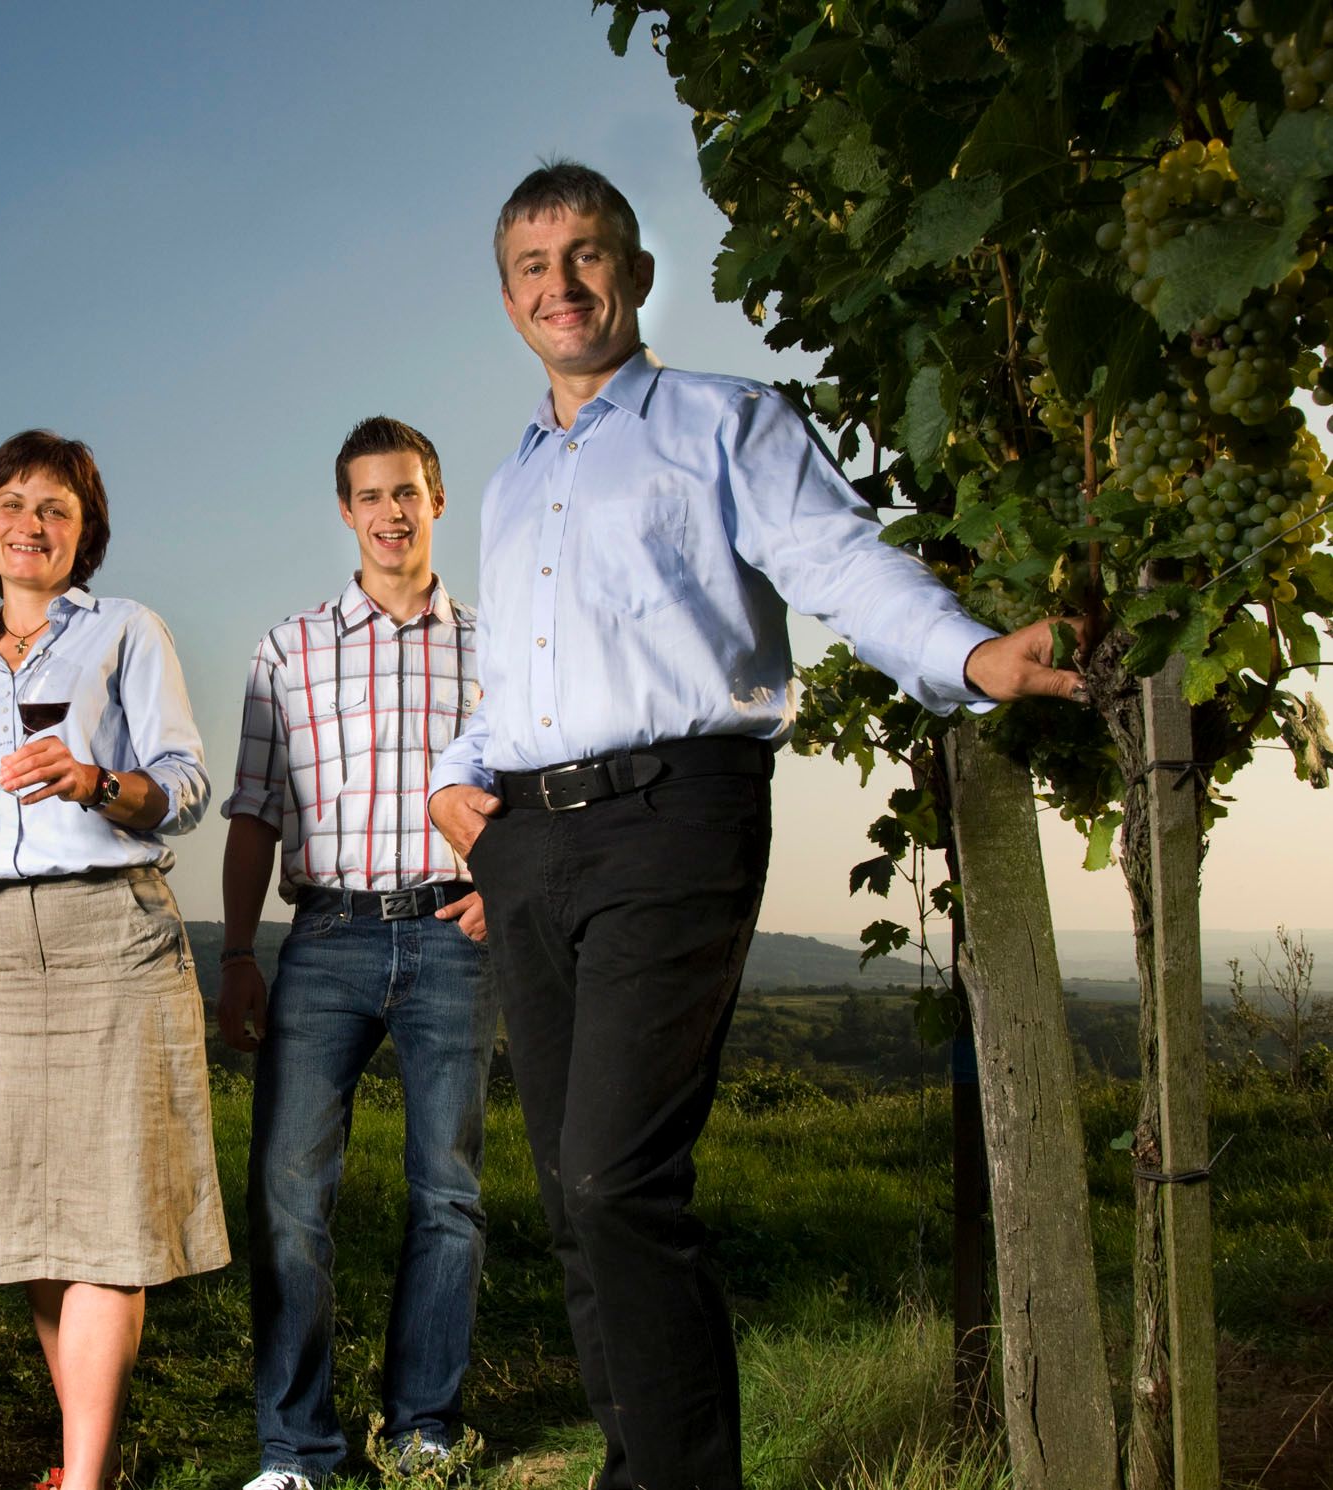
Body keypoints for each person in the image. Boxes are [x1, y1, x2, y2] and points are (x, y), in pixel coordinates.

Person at [425, 161, 1088, 1490]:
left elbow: (837, 557)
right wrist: (459, 777)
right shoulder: (505, 488)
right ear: (506, 299)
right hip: (530, 840)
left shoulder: (725, 421)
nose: (563, 286)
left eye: (588, 253)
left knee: (618, 1176)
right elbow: (519, 673)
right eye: (533, 268)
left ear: (638, 270)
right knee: (569, 1194)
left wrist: (967, 655)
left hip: (678, 813)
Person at [0, 429, 228, 1490]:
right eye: (14, 502)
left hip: (108, 932)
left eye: (57, 509)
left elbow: (185, 779)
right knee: (34, 1217)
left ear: (86, 535)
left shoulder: (125, 630)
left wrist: (92, 781)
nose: (31, 523)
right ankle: (95, 1458)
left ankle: (80, 1478)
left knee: (106, 1219)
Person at [217, 416, 496, 1489]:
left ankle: (423, 1427)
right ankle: (298, 1449)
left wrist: (500, 883)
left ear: (437, 501)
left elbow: (526, 786)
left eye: (409, 492)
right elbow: (252, 812)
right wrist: (239, 950)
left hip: (449, 933)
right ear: (346, 510)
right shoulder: (287, 648)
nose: (390, 512)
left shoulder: (495, 645)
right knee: (288, 1192)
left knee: (449, 1190)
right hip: (324, 936)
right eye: (370, 495)